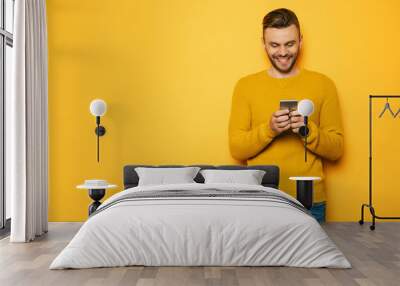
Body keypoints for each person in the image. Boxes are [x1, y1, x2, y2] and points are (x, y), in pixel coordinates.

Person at [228, 8, 344, 223]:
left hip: (310, 201)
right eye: (274, 45)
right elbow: (236, 148)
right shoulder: (245, 86)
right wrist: (269, 129)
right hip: (261, 199)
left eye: (289, 44)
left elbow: (337, 149)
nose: (282, 52)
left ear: (300, 41)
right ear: (263, 43)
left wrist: (306, 130)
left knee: (312, 258)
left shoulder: (323, 85)